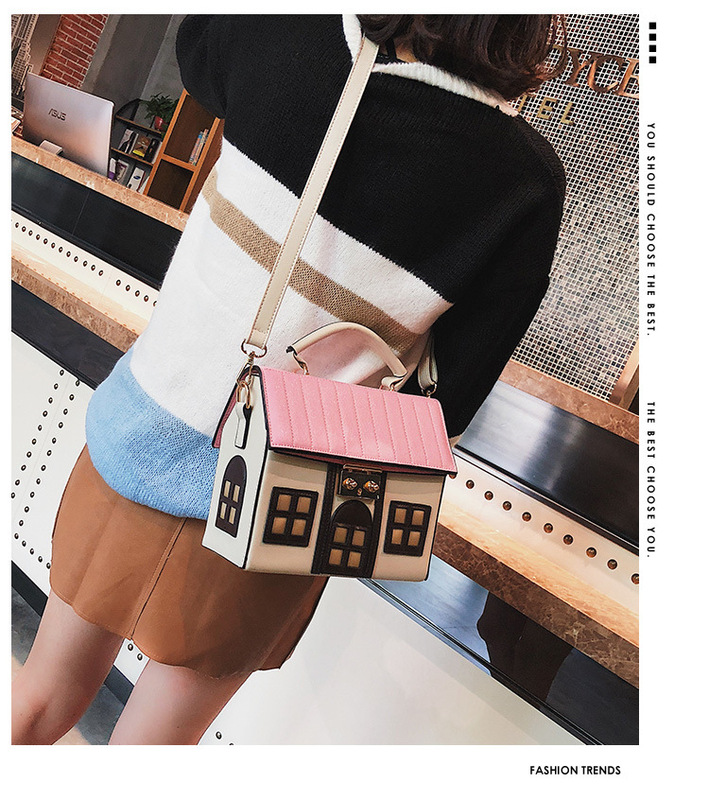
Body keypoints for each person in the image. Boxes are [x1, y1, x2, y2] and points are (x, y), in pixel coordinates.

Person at [12, 14, 567, 745]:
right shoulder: (524, 182)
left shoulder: (280, 31)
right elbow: (448, 404)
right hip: (285, 499)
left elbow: (199, 54)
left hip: (146, 425)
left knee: (39, 701)